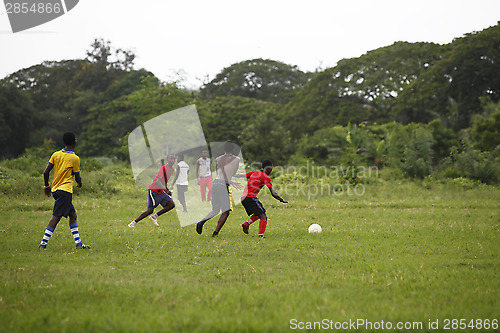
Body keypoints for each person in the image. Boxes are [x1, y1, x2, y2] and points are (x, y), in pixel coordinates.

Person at [39, 132, 90, 249]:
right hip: (65, 191)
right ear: (74, 142)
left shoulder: (56, 155)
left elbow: (46, 172)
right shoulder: (74, 158)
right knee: (56, 217)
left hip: (55, 190)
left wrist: (47, 186)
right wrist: (79, 183)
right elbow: (77, 175)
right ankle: (43, 244)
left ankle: (78, 243)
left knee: (73, 215)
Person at [196, 142, 242, 237]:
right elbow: (232, 173)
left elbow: (219, 173)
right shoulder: (236, 159)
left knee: (215, 209)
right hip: (223, 185)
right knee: (226, 211)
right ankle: (215, 234)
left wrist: (231, 181)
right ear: (233, 150)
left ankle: (201, 222)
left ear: (224, 150)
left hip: (215, 183)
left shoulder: (218, 159)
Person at [240, 160, 288, 237]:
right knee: (263, 217)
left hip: (243, 198)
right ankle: (260, 236)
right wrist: (281, 200)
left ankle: (246, 223)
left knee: (259, 212)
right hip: (251, 198)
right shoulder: (266, 177)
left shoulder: (255, 173)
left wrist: (231, 175)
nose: (271, 170)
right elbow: (273, 193)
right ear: (268, 168)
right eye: (271, 169)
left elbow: (242, 175)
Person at [128, 154, 176, 227]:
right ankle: (133, 223)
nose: (172, 160)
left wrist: (168, 190)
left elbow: (164, 181)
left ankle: (154, 216)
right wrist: (166, 191)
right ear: (167, 159)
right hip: (154, 191)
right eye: (170, 159)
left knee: (171, 204)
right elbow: (158, 181)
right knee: (150, 210)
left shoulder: (171, 169)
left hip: (161, 191)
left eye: (173, 159)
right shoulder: (163, 168)